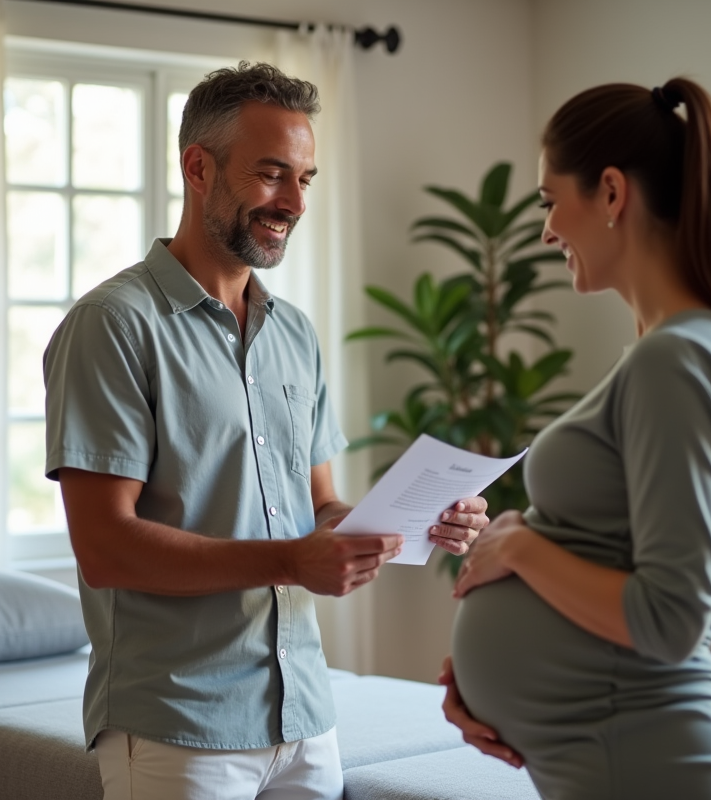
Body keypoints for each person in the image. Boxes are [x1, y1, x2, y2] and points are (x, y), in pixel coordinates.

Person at [43, 62, 488, 800]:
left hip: (305, 718)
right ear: (198, 168)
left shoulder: (295, 334)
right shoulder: (113, 325)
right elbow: (104, 547)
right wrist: (292, 561)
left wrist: (411, 519)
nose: (294, 202)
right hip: (178, 724)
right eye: (272, 174)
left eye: (305, 179)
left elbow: (320, 509)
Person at [438, 78, 711, 800]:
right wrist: (490, 691)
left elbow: (674, 618)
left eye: (550, 202)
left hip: (639, 759)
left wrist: (519, 547)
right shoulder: (687, 350)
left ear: (610, 192)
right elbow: (684, 596)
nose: (547, 232)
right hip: (615, 752)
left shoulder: (677, 359)